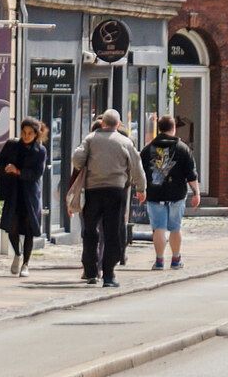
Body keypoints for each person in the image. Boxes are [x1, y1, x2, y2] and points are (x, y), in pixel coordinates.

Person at [70, 110, 145, 287]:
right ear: (118, 125)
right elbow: (137, 166)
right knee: (112, 232)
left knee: (90, 231)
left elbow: (77, 159)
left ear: (103, 123)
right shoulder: (125, 142)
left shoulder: (90, 139)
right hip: (116, 191)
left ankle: (90, 271)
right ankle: (109, 275)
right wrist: (141, 188)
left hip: (93, 190)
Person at [139, 116, 200, 271]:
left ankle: (159, 261)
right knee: (175, 228)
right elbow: (191, 175)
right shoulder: (182, 148)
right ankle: (175, 259)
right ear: (174, 128)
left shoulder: (148, 149)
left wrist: (140, 189)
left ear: (159, 128)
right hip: (176, 195)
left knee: (158, 227)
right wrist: (196, 193)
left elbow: (140, 172)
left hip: (155, 194)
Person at [0, 117, 47, 276]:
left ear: (36, 134)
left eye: (30, 133)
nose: (26, 136)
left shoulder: (40, 150)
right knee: (12, 227)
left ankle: (26, 264)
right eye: (24, 132)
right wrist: (6, 168)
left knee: (29, 229)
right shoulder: (12, 145)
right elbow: (0, 161)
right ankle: (17, 254)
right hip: (13, 191)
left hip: (30, 194)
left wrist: (18, 171)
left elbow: (37, 173)